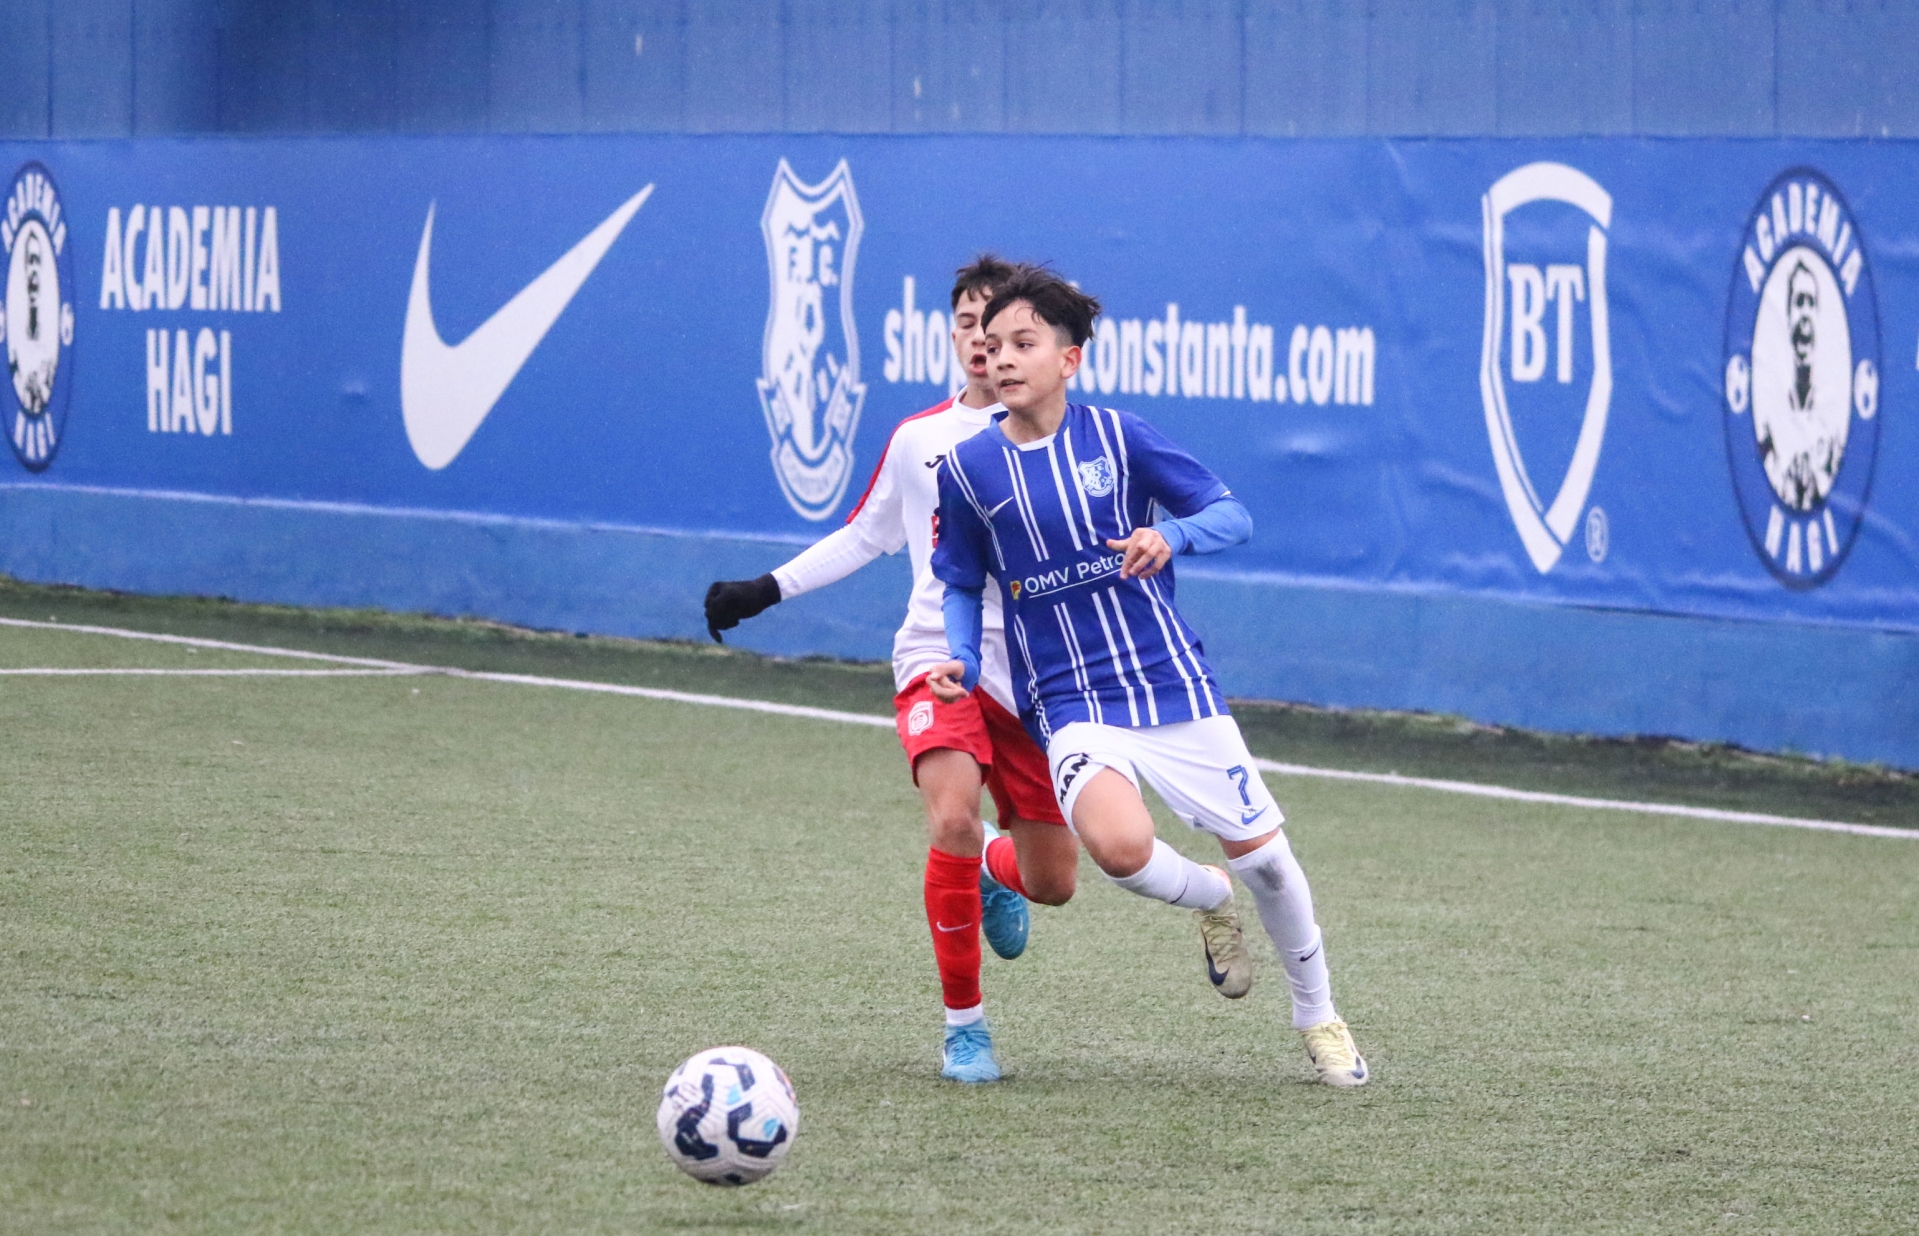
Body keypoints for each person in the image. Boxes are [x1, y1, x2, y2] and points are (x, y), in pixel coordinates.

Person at [926, 267, 1368, 1087]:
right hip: (1068, 698)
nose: (1002, 358)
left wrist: (1173, 537)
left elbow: (1230, 514)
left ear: (1070, 359)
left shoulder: (1119, 437)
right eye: (991, 345)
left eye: (1023, 343)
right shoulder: (967, 468)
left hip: (1168, 680)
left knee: (1269, 864)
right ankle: (1207, 895)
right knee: (1120, 851)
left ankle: (1319, 1017)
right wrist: (962, 654)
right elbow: (958, 579)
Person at [705, 255, 1080, 1085]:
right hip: (935, 660)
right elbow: (864, 535)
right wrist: (767, 588)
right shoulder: (919, 439)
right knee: (950, 820)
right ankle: (964, 1029)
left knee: (1053, 883)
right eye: (967, 325)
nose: (981, 342)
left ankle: (993, 867)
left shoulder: (1070, 441)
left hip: (1035, 678)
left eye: (999, 329)